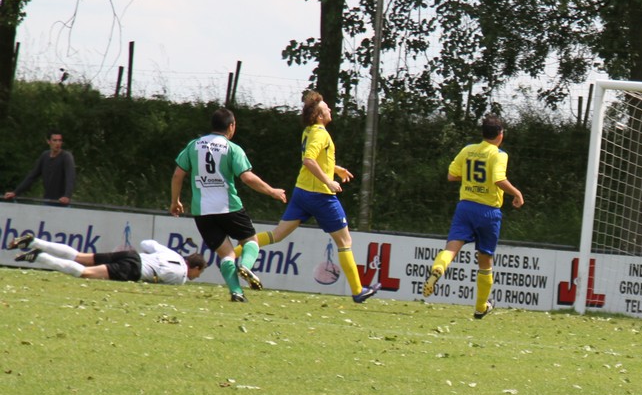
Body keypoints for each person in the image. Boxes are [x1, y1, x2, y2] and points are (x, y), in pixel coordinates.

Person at [236, 90, 378, 303]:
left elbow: (315, 159)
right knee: (344, 241)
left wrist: (335, 168)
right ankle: (358, 291)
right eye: (326, 108)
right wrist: (329, 181)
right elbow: (309, 161)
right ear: (320, 116)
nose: (330, 109)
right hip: (321, 197)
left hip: (302, 192)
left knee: (277, 235)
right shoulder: (321, 134)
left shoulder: (308, 131)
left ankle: (232, 254)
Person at [169, 108, 287, 302]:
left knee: (227, 254)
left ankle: (236, 292)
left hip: (202, 212)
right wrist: (272, 191)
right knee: (251, 241)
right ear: (231, 126)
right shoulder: (232, 149)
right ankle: (246, 266)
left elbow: (177, 175)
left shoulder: (194, 145)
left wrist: (175, 201)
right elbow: (247, 178)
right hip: (229, 207)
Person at [422, 115, 524, 318]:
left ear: (483, 133)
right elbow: (499, 179)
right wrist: (517, 193)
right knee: (485, 261)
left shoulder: (468, 150)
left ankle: (438, 269)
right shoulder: (499, 155)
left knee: (451, 249)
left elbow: (452, 175)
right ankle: (480, 307)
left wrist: (470, 180)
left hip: (465, 207)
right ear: (500, 134)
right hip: (488, 212)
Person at [7, 232, 205, 283]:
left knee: (80, 256)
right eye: (199, 273)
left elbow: (147, 243)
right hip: (134, 270)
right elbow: (160, 282)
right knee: (85, 273)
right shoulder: (181, 278)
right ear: (194, 267)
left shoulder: (172, 254)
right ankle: (39, 257)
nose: (196, 277)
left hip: (132, 255)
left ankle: (34, 241)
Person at [5, 131, 76, 205]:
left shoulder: (66, 157)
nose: (57, 143)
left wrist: (67, 196)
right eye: (55, 140)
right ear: (48, 141)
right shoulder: (45, 156)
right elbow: (32, 176)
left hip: (62, 202)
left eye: (60, 140)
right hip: (48, 200)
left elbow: (70, 178)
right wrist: (15, 192)